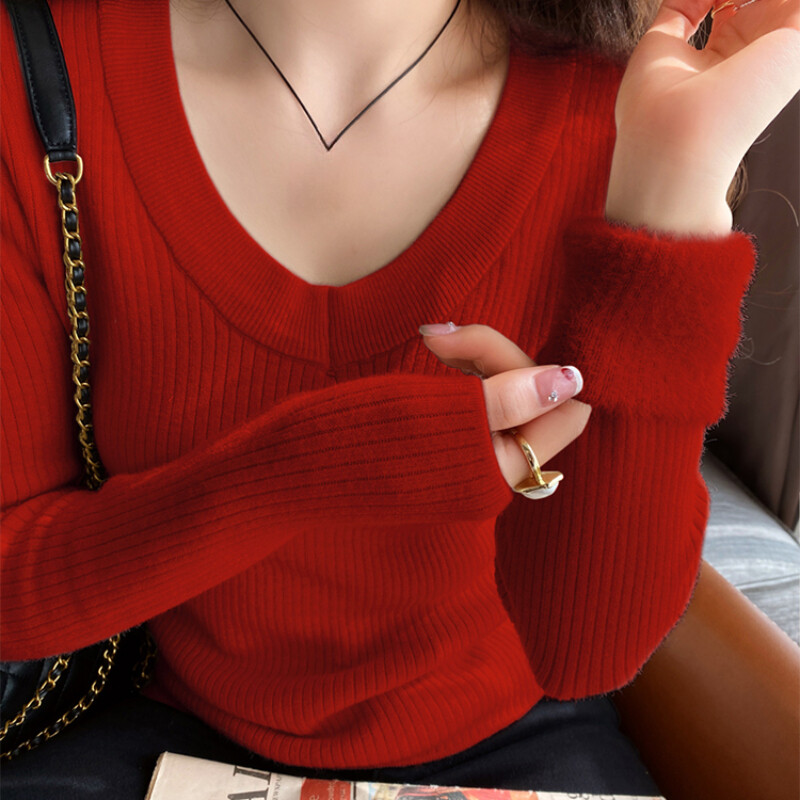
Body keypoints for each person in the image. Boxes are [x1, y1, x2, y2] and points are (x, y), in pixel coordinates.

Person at [1, 0, 797, 797]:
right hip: (155, 721)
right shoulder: (35, 73)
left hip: (513, 739)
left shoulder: (622, 102)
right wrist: (312, 469)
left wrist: (670, 193)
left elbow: (586, 651)